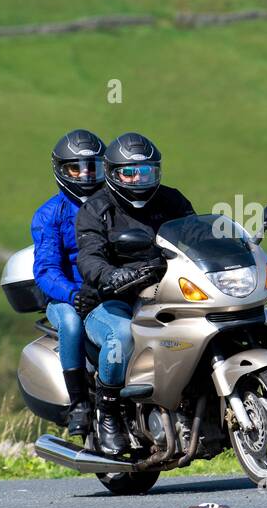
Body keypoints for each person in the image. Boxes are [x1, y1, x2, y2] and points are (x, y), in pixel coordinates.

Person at [76, 132, 195, 455]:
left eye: (147, 172)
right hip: (112, 299)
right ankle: (109, 415)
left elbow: (197, 235)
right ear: (113, 173)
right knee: (122, 337)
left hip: (165, 289)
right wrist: (111, 274)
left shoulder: (172, 201)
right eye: (130, 172)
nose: (140, 180)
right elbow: (88, 256)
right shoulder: (96, 209)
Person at [31, 129, 105, 437]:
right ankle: (79, 404)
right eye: (77, 168)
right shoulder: (50, 214)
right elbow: (46, 270)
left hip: (107, 289)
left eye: (93, 167)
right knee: (72, 324)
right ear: (62, 170)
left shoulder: (113, 204)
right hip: (66, 297)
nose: (86, 175)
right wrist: (73, 295)